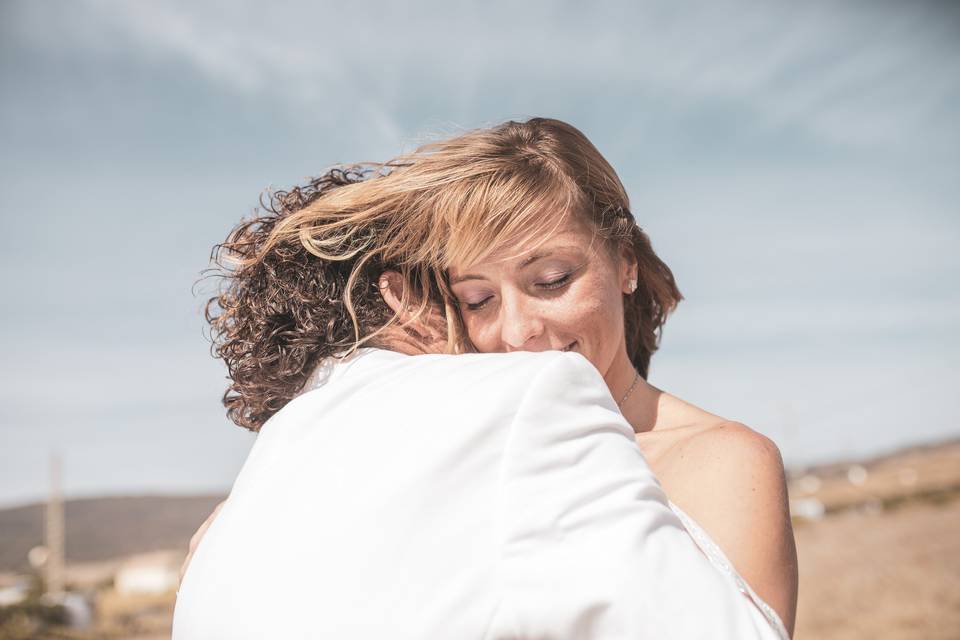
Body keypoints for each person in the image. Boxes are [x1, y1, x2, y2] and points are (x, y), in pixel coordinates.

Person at [177, 117, 797, 637]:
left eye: (551, 280)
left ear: (626, 262)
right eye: (478, 299)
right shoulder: (423, 452)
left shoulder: (725, 462)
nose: (519, 330)